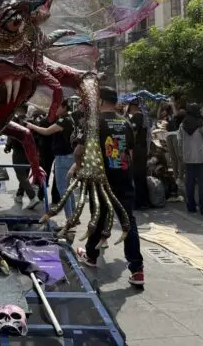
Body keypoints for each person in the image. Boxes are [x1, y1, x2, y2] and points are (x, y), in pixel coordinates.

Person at [74, 86, 144, 287]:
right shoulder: (126, 122)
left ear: (101, 101)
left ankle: (91, 255)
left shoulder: (94, 123)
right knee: (128, 221)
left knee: (98, 217)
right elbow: (129, 152)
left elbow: (79, 151)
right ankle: (137, 270)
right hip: (124, 177)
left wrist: (80, 169)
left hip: (101, 180)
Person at [26, 102, 75, 222]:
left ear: (64, 107)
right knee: (68, 189)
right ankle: (73, 216)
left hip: (63, 157)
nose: (55, 109)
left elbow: (46, 131)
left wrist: (32, 126)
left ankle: (69, 219)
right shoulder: (69, 119)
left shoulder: (63, 121)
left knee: (63, 189)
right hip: (68, 156)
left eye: (57, 106)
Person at [177, 103, 203, 215]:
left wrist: (182, 155)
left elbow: (179, 142)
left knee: (189, 183)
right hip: (202, 158)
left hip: (188, 159)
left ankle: (191, 206)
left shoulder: (182, 126)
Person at [6, 106, 41, 210]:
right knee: (24, 174)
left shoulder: (14, 120)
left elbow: (10, 135)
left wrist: (8, 146)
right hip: (30, 152)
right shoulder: (32, 121)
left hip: (19, 151)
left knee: (20, 174)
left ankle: (32, 196)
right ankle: (19, 195)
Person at [127, 99, 150, 209]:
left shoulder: (137, 116)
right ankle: (144, 201)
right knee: (141, 176)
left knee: (138, 176)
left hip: (138, 149)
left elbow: (134, 132)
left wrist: (131, 147)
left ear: (132, 106)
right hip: (142, 148)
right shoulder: (142, 116)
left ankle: (140, 202)